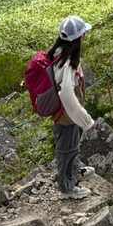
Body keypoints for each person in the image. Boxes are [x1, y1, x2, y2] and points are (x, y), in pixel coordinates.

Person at [49, 15, 94, 199]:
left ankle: (75, 170)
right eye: (83, 34)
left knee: (71, 143)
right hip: (66, 113)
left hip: (64, 112)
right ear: (78, 38)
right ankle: (67, 188)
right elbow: (67, 94)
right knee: (67, 148)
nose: (85, 37)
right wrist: (85, 119)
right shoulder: (67, 63)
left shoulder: (58, 54)